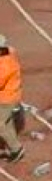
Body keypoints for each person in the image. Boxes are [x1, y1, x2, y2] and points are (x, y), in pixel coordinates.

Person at [0, 36, 25, 164]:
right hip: (7, 96)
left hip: (6, 99)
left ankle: (16, 148)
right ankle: (14, 148)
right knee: (7, 124)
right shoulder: (8, 53)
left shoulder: (5, 65)